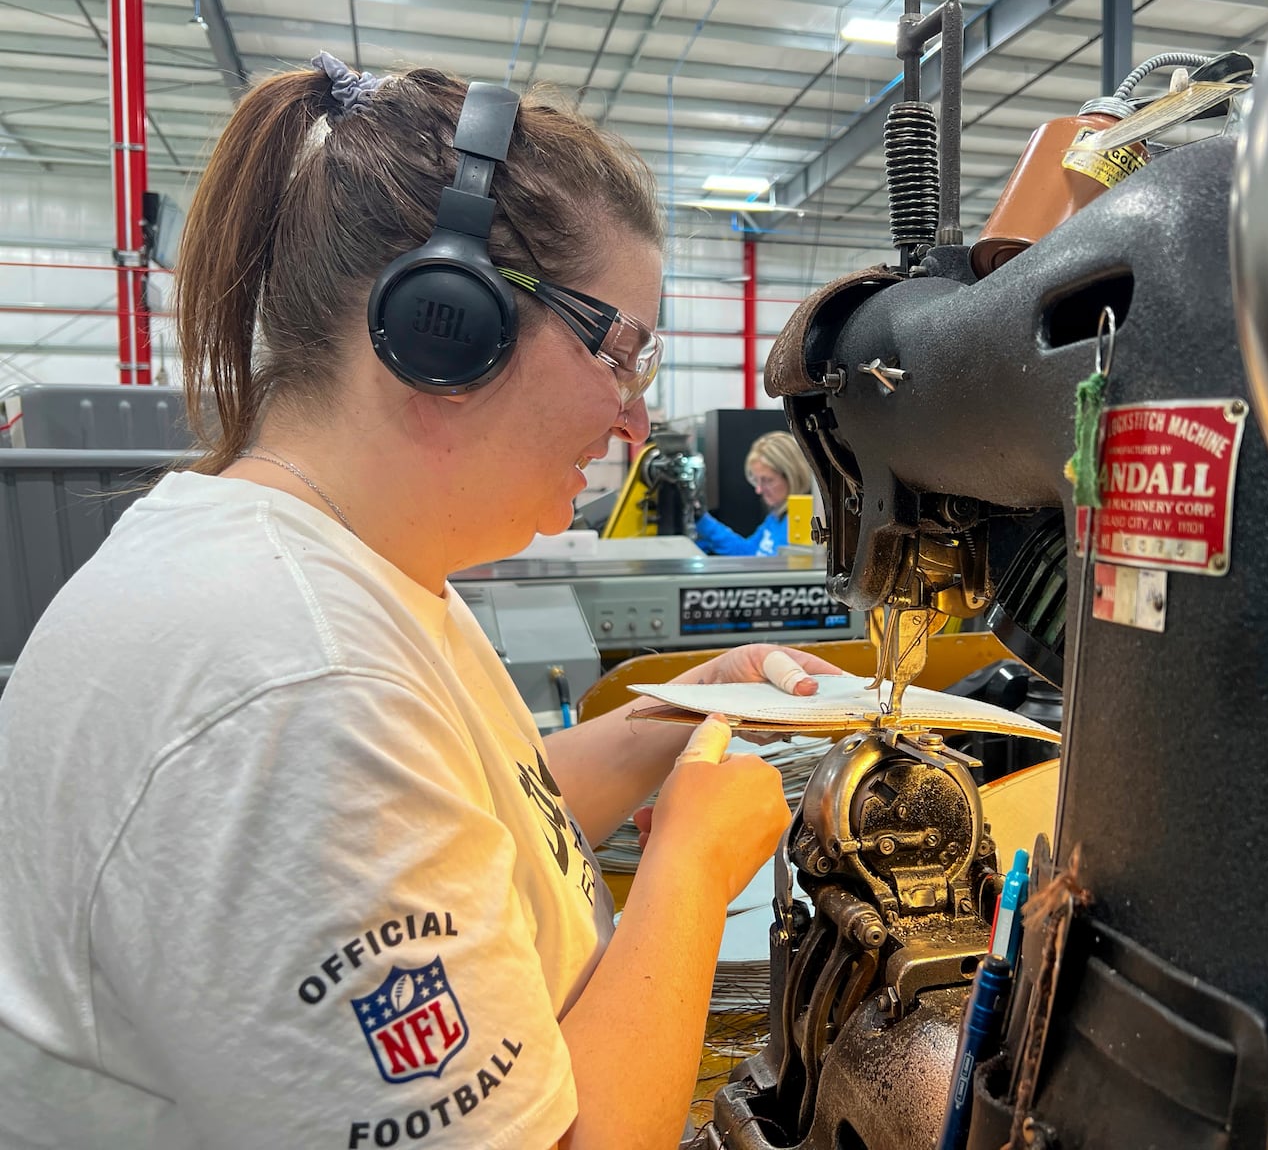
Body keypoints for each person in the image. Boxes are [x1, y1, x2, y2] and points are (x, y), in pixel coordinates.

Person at [0, 56, 840, 1150]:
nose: (635, 420)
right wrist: (688, 863)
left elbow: (476, 818)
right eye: (622, 353)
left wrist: (681, 716)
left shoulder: (341, 577)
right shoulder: (293, 680)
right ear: (447, 324)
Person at [694, 430, 812, 556]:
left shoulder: (805, 521)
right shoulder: (777, 517)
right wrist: (701, 519)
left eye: (768, 480)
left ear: (793, 476)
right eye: (756, 481)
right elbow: (747, 552)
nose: (759, 490)